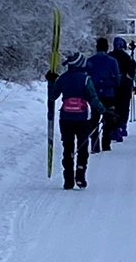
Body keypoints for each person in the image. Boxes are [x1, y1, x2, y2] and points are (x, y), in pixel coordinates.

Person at [46, 51, 110, 190]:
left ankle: (68, 178)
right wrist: (104, 111)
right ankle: (80, 175)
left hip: (65, 118)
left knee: (68, 147)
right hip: (83, 119)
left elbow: (52, 96)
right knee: (82, 147)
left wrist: (51, 82)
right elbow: (93, 99)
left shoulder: (62, 79)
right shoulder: (86, 80)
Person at [85, 37, 120, 153]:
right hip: (109, 93)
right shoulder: (112, 61)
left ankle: (95, 144)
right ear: (107, 47)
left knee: (94, 118)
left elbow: (86, 78)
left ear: (96, 47)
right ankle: (106, 144)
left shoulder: (90, 61)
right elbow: (117, 80)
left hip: (94, 94)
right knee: (108, 118)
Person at [110, 36, 136, 141]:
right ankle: (122, 126)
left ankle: (113, 127)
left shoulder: (110, 57)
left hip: (112, 86)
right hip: (125, 85)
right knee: (124, 107)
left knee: (113, 106)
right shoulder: (127, 58)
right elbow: (132, 72)